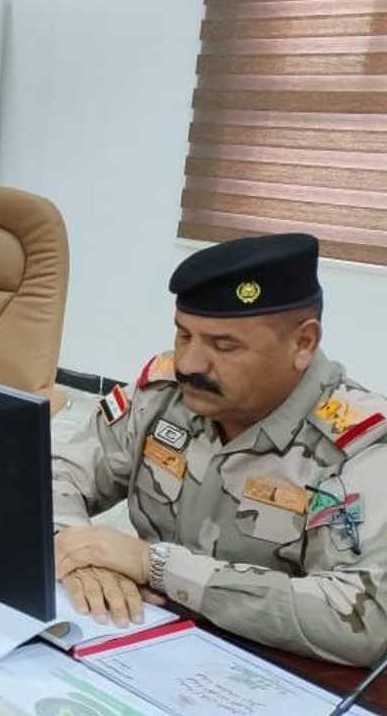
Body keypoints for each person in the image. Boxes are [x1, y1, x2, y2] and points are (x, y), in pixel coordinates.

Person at [51, 232, 387, 667]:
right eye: (184, 335)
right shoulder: (164, 395)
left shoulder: (358, 449)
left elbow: (360, 618)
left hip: (272, 668)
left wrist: (156, 566)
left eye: (224, 346)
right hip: (140, 639)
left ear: (303, 343)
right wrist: (79, 555)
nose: (190, 363)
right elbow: (52, 470)